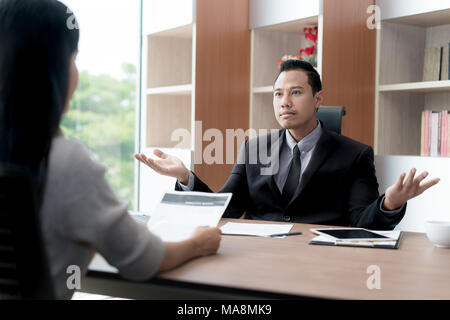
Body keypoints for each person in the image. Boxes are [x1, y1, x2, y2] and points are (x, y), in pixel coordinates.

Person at [0, 0, 221, 300]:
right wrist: (197, 243)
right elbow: (143, 260)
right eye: (73, 57)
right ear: (49, 68)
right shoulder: (66, 163)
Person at [136, 59, 440, 230]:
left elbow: (362, 222)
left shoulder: (355, 154)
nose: (285, 102)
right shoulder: (253, 149)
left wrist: (390, 202)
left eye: (296, 92)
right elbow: (223, 209)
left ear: (318, 98)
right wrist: (185, 177)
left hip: (319, 262)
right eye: (278, 94)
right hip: (257, 260)